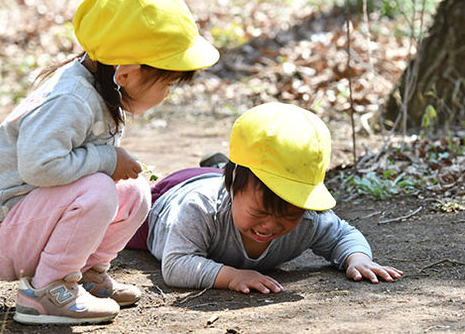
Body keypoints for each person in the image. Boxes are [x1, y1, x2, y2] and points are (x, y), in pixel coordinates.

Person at [0, 0, 219, 325]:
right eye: (166, 82)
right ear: (126, 74)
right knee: (99, 188)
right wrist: (106, 159)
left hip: (28, 221)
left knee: (133, 191)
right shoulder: (70, 99)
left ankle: (83, 275)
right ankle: (48, 291)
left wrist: (110, 165)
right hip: (1, 233)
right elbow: (40, 166)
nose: (167, 93)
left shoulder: (102, 87)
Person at [127, 102, 403, 294]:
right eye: (259, 212)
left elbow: (344, 235)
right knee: (124, 225)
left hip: (228, 180)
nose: (271, 225)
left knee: (245, 180)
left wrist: (357, 259)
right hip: (171, 197)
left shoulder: (307, 219)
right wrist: (232, 276)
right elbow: (176, 265)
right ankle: (219, 167)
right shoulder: (199, 210)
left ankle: (221, 165)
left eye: (288, 215)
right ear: (233, 188)